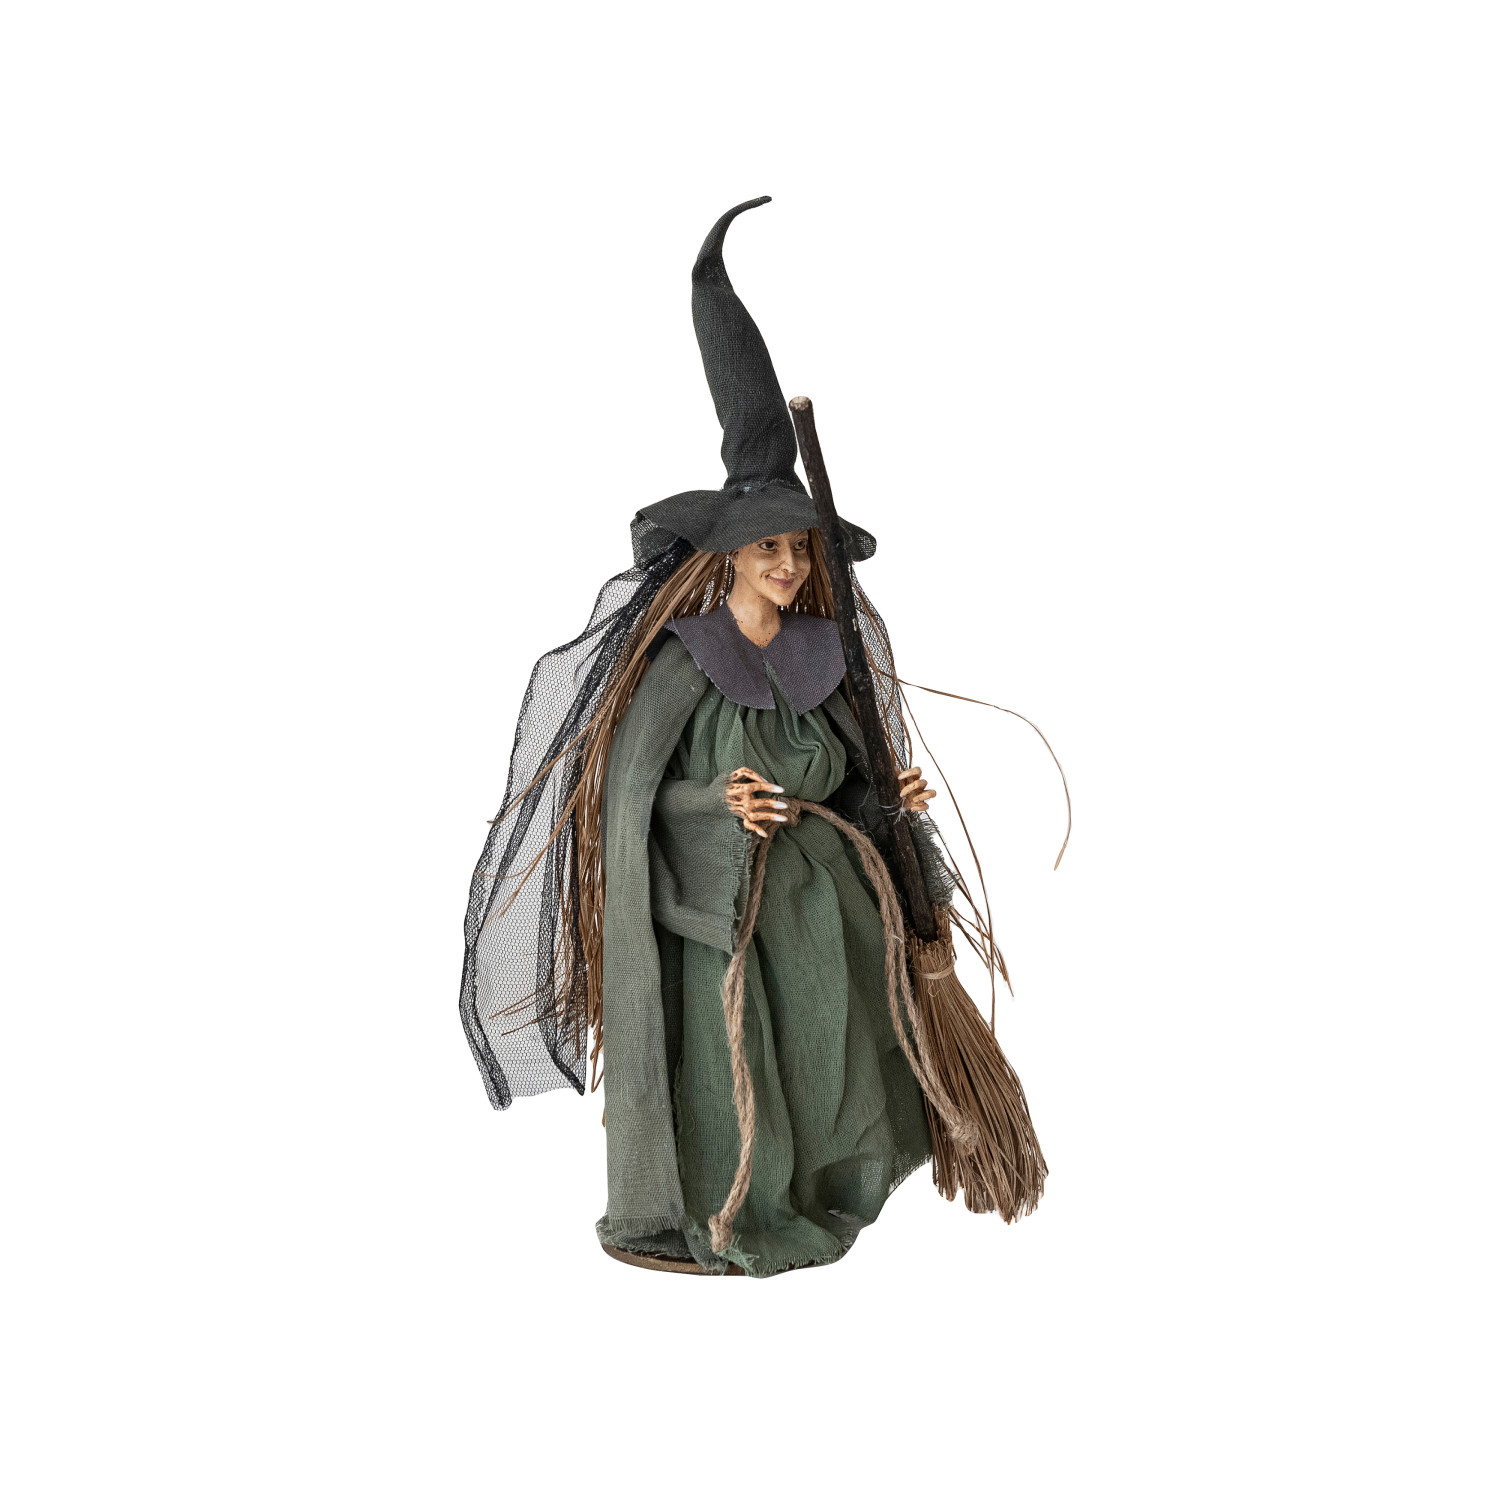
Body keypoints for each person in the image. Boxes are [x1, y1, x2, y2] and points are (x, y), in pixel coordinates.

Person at [460, 198, 998, 1277]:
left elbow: (841, 779)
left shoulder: (822, 654)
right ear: (728, 556)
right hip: (721, 915)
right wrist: (717, 805)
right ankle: (721, 1210)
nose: (788, 567)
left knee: (828, 1052)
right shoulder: (680, 662)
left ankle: (813, 1192)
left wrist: (882, 794)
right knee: (732, 1057)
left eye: (799, 549)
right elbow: (627, 800)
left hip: (825, 911)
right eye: (767, 551)